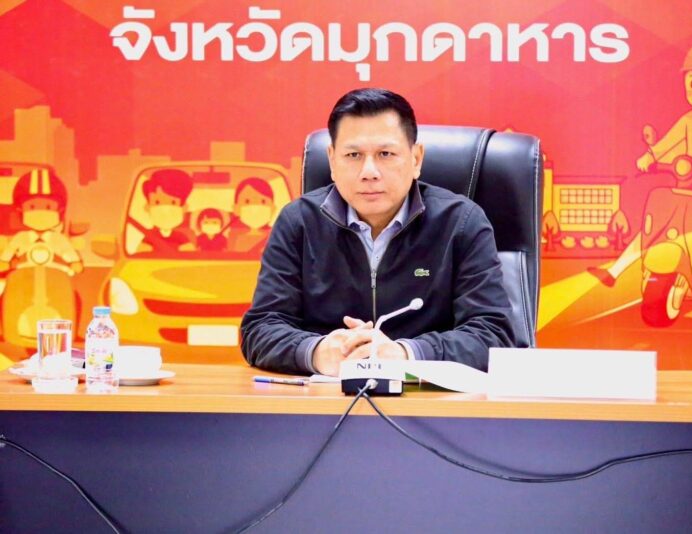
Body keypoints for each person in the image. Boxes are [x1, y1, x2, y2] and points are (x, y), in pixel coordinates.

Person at [240, 88, 520, 376]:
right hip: (326, 397)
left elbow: (493, 336)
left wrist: (406, 354)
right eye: (353, 155)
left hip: (429, 398)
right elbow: (260, 329)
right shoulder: (298, 222)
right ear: (332, 161)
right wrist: (316, 351)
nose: (369, 172)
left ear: (416, 159)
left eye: (386, 154)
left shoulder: (461, 223)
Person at [589, 38, 692, 308]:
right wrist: (650, 156)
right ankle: (615, 271)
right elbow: (668, 143)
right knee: (654, 225)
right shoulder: (689, 119)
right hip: (689, 184)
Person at [0, 168, 83, 273]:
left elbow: (69, 254)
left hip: (54, 275)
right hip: (23, 275)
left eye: (48, 207)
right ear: (20, 210)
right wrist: (5, 262)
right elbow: (8, 254)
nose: (40, 213)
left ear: (60, 210)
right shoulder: (20, 238)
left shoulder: (59, 239)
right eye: (31, 207)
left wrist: (74, 262)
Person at [136, 168, 195, 254]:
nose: (165, 209)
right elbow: (142, 253)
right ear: (147, 207)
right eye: (157, 202)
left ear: (184, 208)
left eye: (173, 202)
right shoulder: (150, 237)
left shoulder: (181, 237)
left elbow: (189, 253)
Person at [228, 177, 274, 254]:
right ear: (236, 209)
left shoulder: (276, 236)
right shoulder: (233, 237)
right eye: (247, 201)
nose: (255, 208)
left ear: (273, 209)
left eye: (263, 202)